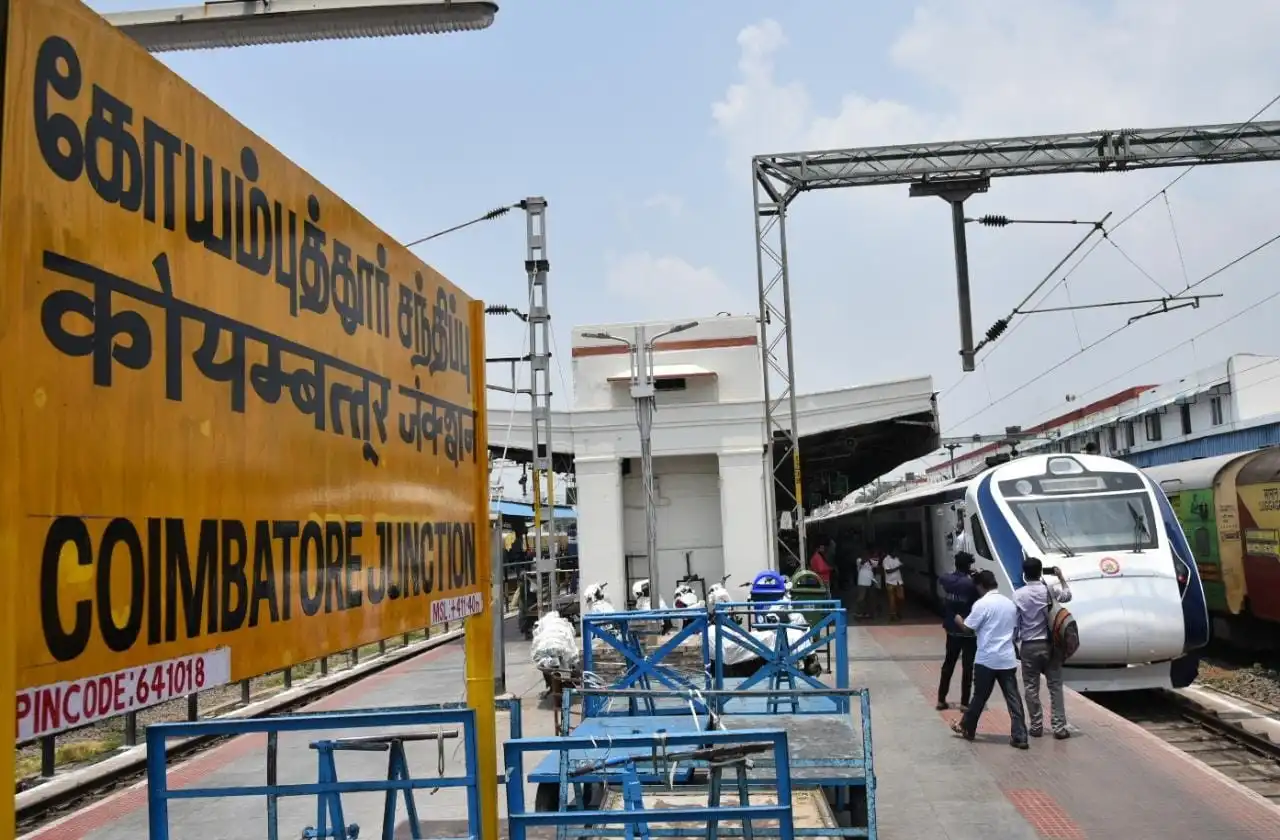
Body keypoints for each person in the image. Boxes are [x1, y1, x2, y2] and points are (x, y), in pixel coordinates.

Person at [950, 570, 1029, 749]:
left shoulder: (982, 604)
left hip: (986, 659)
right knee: (1013, 698)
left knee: (979, 697)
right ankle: (1020, 736)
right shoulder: (1009, 604)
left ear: (981, 586)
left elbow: (968, 629)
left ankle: (967, 728)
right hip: (1007, 659)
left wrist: (957, 620)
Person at [1014, 557, 1073, 739]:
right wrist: (1061, 577)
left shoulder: (1018, 595)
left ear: (1024, 573)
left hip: (1029, 646)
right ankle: (1059, 727)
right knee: (1055, 686)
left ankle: (1036, 726)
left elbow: (1015, 623)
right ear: (1040, 572)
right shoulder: (1050, 590)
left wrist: (1014, 642)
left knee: (1031, 687)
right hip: (1051, 645)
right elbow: (1067, 595)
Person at [936, 552, 979, 711]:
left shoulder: (947, 579)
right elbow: (978, 597)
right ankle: (964, 703)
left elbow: (943, 578)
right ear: (968, 566)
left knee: (948, 664)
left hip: (951, 629)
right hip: (967, 630)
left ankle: (941, 700)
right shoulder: (971, 584)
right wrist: (975, 577)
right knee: (967, 667)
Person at [854, 552, 880, 619]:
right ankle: (858, 613)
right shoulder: (859, 560)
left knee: (870, 598)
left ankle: (869, 613)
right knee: (861, 598)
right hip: (862, 581)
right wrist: (866, 559)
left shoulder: (871, 561)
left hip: (870, 581)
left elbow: (875, 565)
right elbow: (861, 563)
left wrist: (869, 559)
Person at [881, 549, 904, 621]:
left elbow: (901, 566)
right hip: (890, 582)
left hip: (898, 581)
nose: (896, 553)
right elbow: (888, 571)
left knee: (901, 598)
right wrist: (898, 568)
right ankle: (892, 615)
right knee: (892, 600)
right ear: (891, 552)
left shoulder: (897, 559)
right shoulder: (886, 560)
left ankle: (898, 612)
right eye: (895, 552)